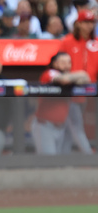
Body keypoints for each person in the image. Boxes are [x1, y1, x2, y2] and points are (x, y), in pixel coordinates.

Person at [32, 52, 90, 155]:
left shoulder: (69, 77)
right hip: (45, 126)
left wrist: (76, 78)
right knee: (49, 163)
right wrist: (77, 77)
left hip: (60, 128)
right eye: (62, 62)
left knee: (59, 164)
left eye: (68, 62)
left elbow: (86, 78)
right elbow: (63, 80)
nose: (66, 65)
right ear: (55, 64)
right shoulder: (49, 73)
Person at [58, 9, 96, 155]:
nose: (89, 26)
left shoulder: (96, 43)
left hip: (91, 94)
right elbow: (57, 65)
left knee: (72, 129)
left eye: (91, 22)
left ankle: (63, 159)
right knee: (75, 127)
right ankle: (89, 157)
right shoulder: (67, 41)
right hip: (70, 92)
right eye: (85, 22)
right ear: (78, 24)